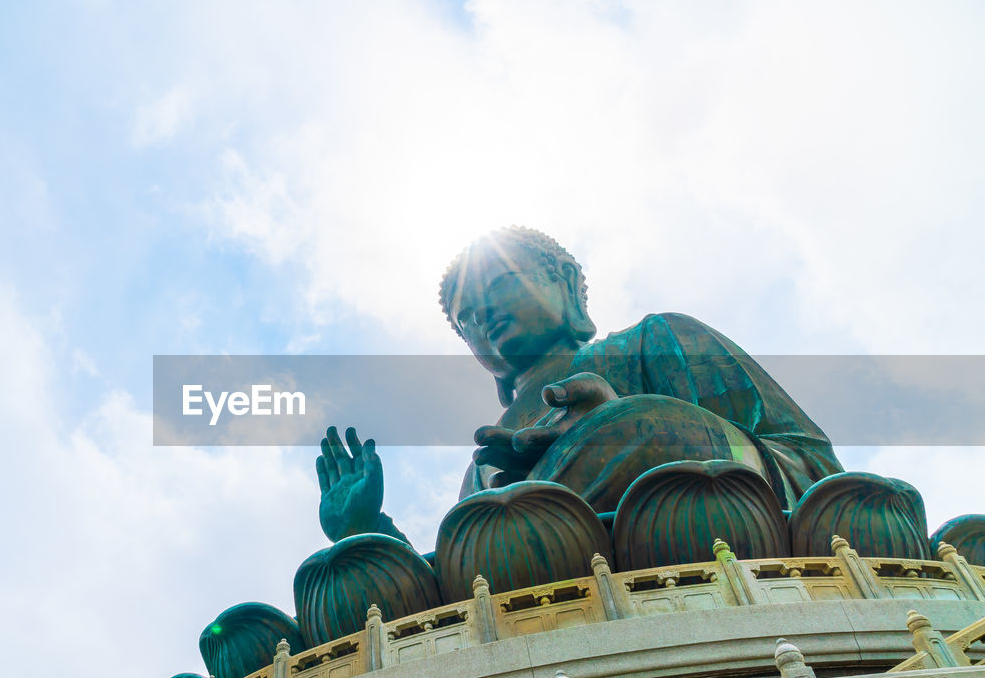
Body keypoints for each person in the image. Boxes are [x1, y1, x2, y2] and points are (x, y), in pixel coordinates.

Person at [317, 226, 843, 542]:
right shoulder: (488, 459)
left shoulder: (656, 340)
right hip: (547, 602)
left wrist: (640, 430)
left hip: (714, 545)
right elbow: (461, 585)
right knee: (478, 530)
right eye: (467, 318)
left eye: (502, 285)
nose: (486, 317)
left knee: (631, 429)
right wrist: (365, 529)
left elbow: (819, 475)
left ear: (565, 283)